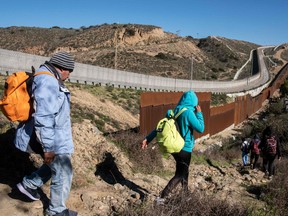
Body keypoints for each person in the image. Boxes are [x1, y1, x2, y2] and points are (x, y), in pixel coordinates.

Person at [15, 52, 77, 216]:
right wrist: (48, 147)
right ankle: (56, 211)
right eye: (69, 71)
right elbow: (44, 117)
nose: (69, 75)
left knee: (55, 166)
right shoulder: (48, 81)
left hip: (57, 136)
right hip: (52, 138)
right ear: (62, 68)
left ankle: (29, 185)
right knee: (63, 170)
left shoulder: (50, 78)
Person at [141, 90, 204, 201]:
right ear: (194, 102)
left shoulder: (175, 111)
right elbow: (200, 128)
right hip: (185, 148)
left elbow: (160, 128)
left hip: (175, 147)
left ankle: (185, 194)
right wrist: (199, 113)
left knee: (184, 171)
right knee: (180, 174)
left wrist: (147, 139)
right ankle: (161, 197)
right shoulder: (188, 112)